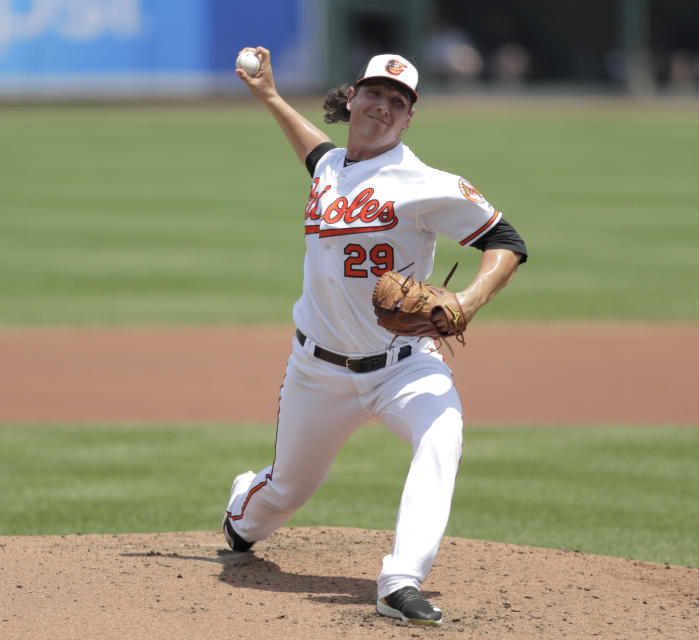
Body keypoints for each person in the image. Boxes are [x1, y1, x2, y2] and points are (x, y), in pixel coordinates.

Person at [223, 46, 527, 626]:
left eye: (398, 101)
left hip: (404, 363)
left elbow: (506, 241)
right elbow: (316, 156)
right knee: (283, 494)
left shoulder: (427, 184)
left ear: (409, 116)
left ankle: (400, 579)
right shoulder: (333, 168)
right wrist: (269, 96)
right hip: (318, 371)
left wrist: (467, 301)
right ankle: (242, 511)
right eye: (375, 94)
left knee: (443, 433)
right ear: (353, 98)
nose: (383, 107)